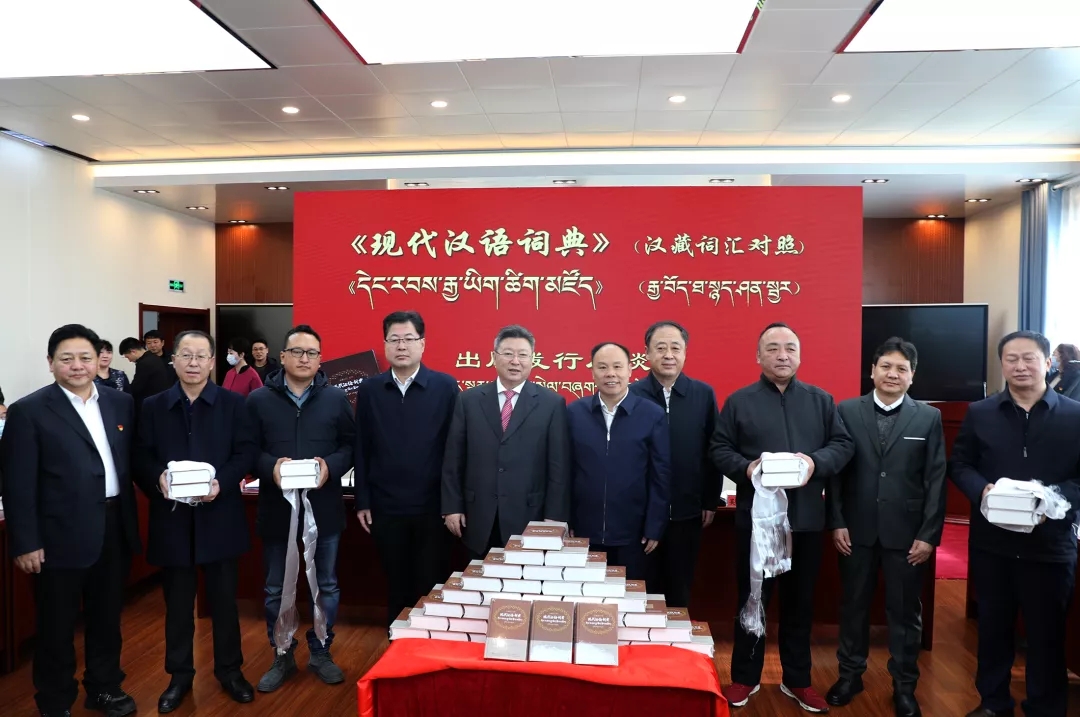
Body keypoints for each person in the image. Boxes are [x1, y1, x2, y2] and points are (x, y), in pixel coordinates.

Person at [710, 322, 855, 713]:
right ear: (758, 356)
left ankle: (798, 680)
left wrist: (814, 462)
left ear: (800, 355)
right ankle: (745, 677)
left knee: (800, 603)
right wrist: (747, 467)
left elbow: (843, 445)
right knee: (752, 599)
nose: (782, 355)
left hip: (805, 521)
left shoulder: (820, 400)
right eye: (772, 348)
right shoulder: (739, 401)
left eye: (790, 348)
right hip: (757, 525)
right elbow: (719, 449)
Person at [0, 324, 142, 717]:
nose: (77, 365)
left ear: (99, 360)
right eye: (67, 358)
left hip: (113, 528)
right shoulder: (29, 410)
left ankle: (104, 687)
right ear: (51, 363)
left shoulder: (120, 402)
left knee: (107, 618)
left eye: (85, 357)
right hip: (57, 536)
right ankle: (54, 700)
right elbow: (17, 483)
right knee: (56, 626)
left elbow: (129, 460)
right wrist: (26, 541)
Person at [951, 330, 1080, 717]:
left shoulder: (1075, 414)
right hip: (993, 544)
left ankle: (1045, 707)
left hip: (1051, 545)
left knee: (1046, 634)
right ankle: (993, 703)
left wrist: (1050, 499)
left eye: (1029, 358)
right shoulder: (981, 412)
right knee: (993, 630)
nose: (1020, 366)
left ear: (1048, 363)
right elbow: (960, 464)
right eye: (1011, 359)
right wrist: (983, 490)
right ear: (1002, 364)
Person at [135, 330, 258, 713]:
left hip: (219, 517)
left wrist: (223, 482)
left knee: (224, 603)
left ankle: (230, 671)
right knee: (177, 606)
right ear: (173, 359)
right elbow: (140, 455)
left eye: (200, 356)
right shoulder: (153, 406)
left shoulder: (233, 404)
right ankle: (179, 676)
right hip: (173, 521)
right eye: (185, 355)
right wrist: (157, 478)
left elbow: (246, 453)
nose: (193, 362)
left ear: (212, 361)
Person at [826, 337, 946, 717]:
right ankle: (849, 676)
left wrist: (928, 535)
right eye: (886, 366)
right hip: (855, 531)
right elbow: (837, 474)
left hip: (907, 534)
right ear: (873, 370)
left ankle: (904, 686)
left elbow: (935, 479)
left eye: (901, 369)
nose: (893, 374)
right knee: (853, 607)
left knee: (905, 613)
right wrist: (837, 522)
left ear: (912, 376)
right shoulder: (846, 410)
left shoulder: (928, 417)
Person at [247, 324, 355, 692]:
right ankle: (282, 653)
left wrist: (330, 466)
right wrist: (270, 467)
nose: (304, 358)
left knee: (327, 584)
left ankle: (322, 650)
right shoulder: (258, 400)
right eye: (297, 351)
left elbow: (350, 446)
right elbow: (247, 449)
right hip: (276, 510)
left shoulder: (335, 399)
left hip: (324, 510)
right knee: (276, 588)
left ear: (320, 359)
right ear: (282, 357)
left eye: (311, 353)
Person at [355, 311, 459, 627]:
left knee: (431, 586)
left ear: (422, 344)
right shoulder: (370, 389)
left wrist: (453, 503)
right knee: (396, 585)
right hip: (386, 508)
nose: (402, 346)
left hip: (432, 509)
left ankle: (428, 648)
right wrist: (363, 500)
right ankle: (396, 646)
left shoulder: (445, 386)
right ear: (385, 344)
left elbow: (455, 449)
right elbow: (362, 446)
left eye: (409, 339)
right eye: (394, 339)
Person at [442, 324, 571, 560]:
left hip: (529, 516)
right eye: (508, 353)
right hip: (477, 516)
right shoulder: (468, 401)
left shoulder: (552, 404)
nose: (515, 361)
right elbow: (453, 459)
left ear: (532, 359)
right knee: (476, 578)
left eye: (523, 355)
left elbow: (558, 467)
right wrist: (452, 507)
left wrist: (555, 517)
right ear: (494, 357)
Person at [630, 321, 721, 607]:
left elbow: (713, 450)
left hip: (687, 511)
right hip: (640, 513)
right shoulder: (631, 395)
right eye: (660, 348)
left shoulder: (702, 394)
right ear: (647, 353)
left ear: (685, 353)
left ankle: (676, 635)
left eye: (675, 348)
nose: (668, 355)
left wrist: (710, 499)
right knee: (641, 589)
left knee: (679, 588)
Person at [567, 342, 670, 580]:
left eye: (617, 366)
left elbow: (661, 475)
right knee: (587, 597)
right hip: (584, 531)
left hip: (634, 534)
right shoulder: (574, 413)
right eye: (602, 367)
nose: (610, 374)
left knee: (629, 595)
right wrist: (567, 519)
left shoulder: (651, 414)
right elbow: (566, 471)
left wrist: (654, 526)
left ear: (630, 370)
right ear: (592, 372)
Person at [118, 336, 172, 421]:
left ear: (133, 351)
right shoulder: (154, 358)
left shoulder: (144, 363)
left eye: (128, 357)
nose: (129, 360)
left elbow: (136, 388)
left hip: (150, 406)